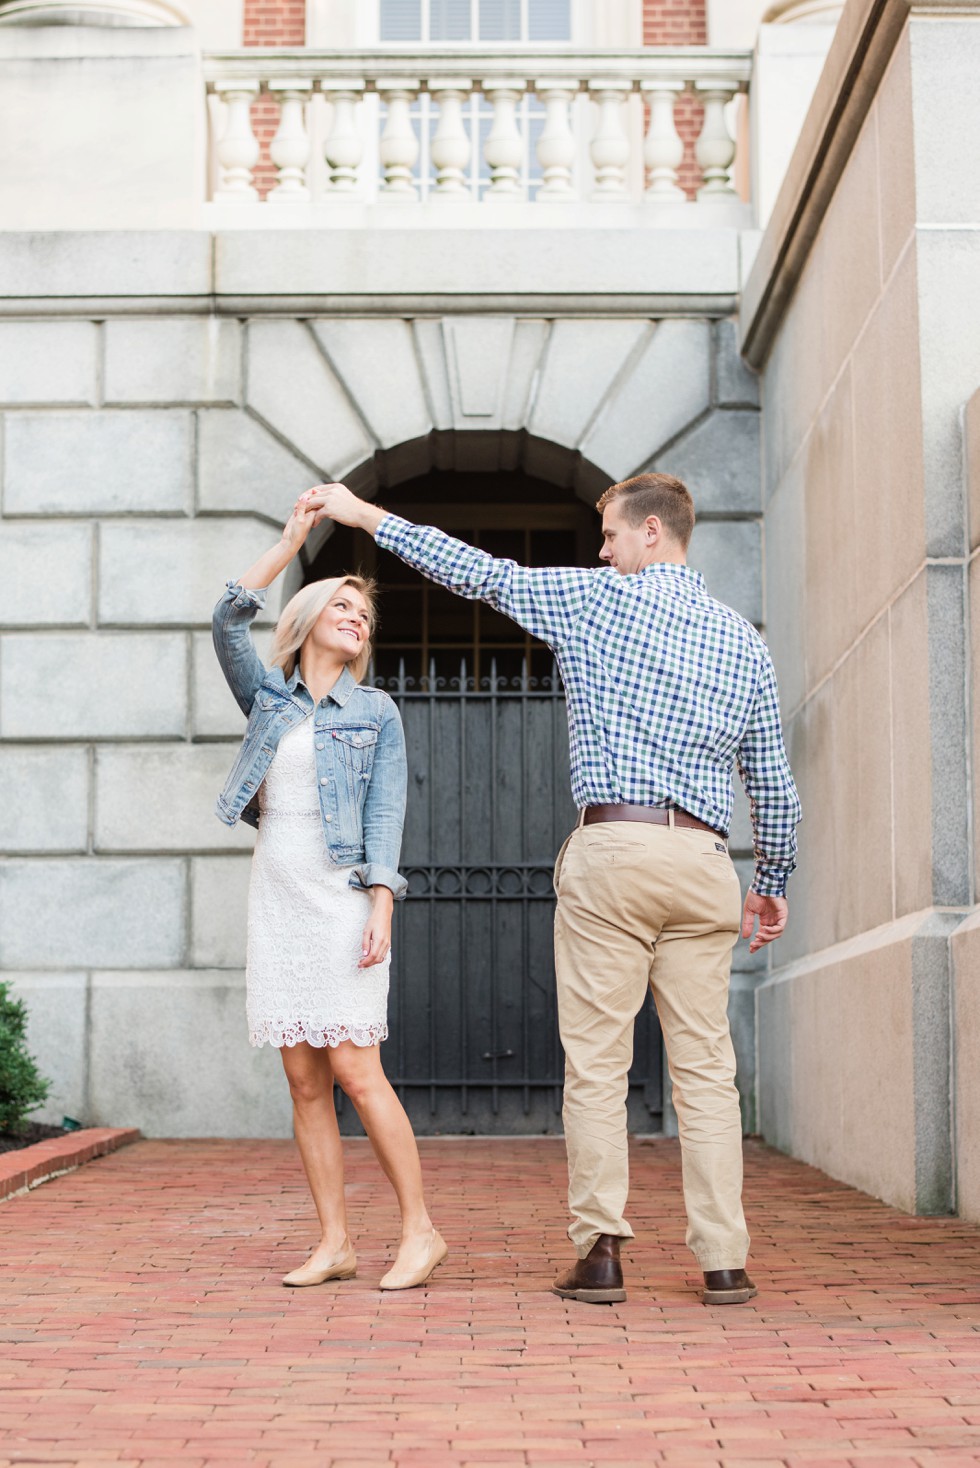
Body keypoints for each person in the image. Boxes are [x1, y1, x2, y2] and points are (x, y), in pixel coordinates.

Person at [302, 472, 801, 1308]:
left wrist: (363, 515)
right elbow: (775, 786)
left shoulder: (596, 599)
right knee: (707, 1072)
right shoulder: (743, 640)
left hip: (613, 847)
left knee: (599, 1065)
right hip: (707, 864)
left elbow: (475, 570)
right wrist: (772, 880)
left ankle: (601, 1253)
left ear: (650, 533)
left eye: (609, 533)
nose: (600, 549)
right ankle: (724, 1261)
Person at [212, 495, 447, 1292]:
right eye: (342, 607)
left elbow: (388, 813)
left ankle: (420, 1231)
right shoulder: (268, 701)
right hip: (276, 899)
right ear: (308, 618)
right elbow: (225, 618)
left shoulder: (375, 711)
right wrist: (288, 543)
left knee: (355, 1069)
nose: (357, 619)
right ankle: (335, 1241)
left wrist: (382, 900)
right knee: (303, 1080)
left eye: (364, 615)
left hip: (340, 898)